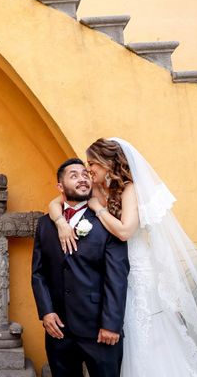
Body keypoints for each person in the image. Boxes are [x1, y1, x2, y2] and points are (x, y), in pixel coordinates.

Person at [48, 138, 197, 376]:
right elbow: (55, 202)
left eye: (93, 162)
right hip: (112, 271)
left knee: (144, 332)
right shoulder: (96, 187)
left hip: (138, 271)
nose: (89, 168)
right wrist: (61, 222)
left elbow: (125, 231)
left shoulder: (130, 189)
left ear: (108, 162)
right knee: (120, 331)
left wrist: (98, 208)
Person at [32, 158, 130, 377]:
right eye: (73, 175)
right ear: (60, 186)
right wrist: (46, 311)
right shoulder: (45, 224)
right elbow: (38, 273)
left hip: (99, 329)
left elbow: (117, 277)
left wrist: (112, 324)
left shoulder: (107, 222)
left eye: (85, 174)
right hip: (58, 329)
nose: (82, 179)